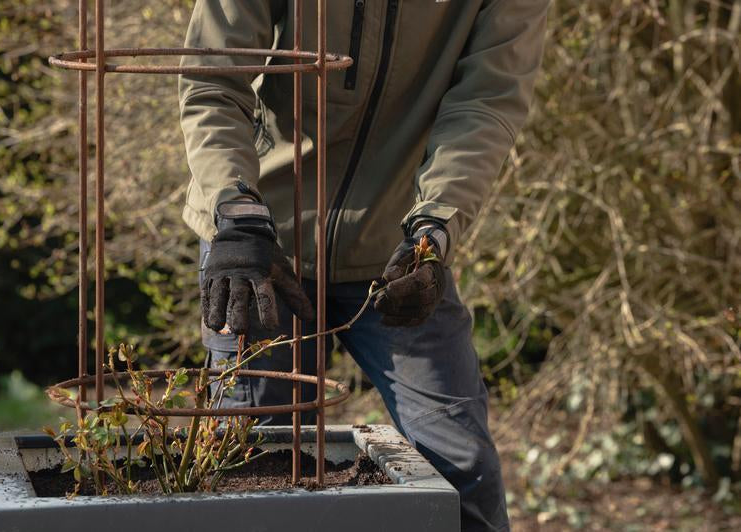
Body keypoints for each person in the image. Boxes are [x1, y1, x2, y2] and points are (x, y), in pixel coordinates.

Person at [178, 1, 549, 530]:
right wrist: (236, 211)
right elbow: (214, 82)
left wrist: (433, 230)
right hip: (260, 248)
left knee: (464, 473)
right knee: (250, 468)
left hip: (396, 253)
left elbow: (485, 105)